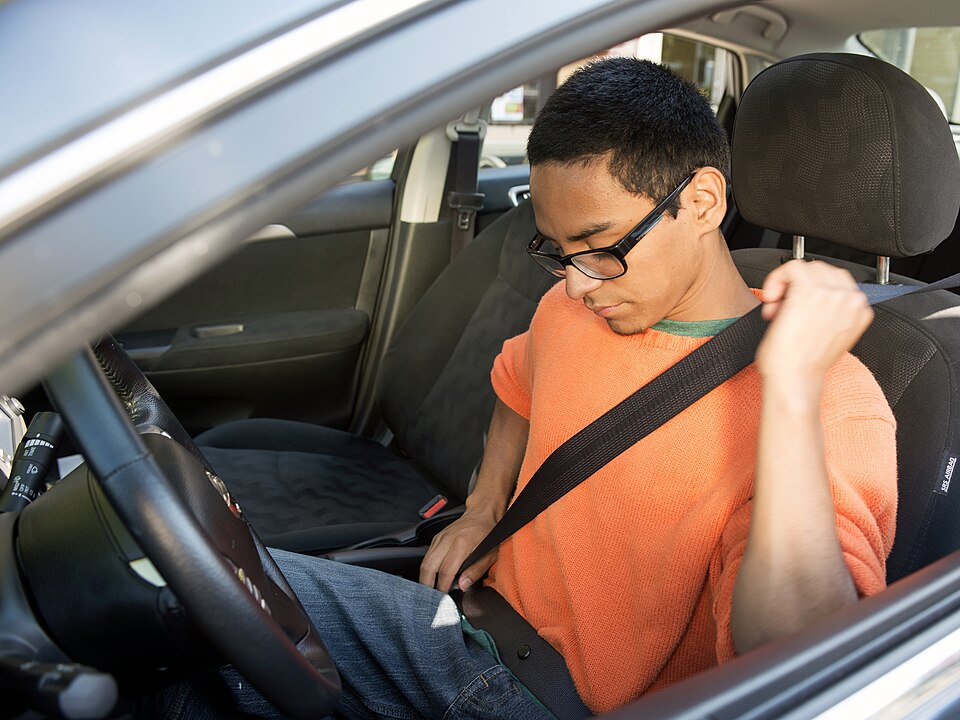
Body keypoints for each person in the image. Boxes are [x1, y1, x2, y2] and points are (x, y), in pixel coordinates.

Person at [153, 58, 896, 719]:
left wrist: (791, 391)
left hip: (550, 698)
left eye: (600, 248)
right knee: (174, 615)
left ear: (701, 202)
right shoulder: (573, 305)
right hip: (470, 626)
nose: (576, 282)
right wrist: (484, 509)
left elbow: (799, 657)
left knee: (186, 597)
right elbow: (519, 386)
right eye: (557, 250)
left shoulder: (832, 397)